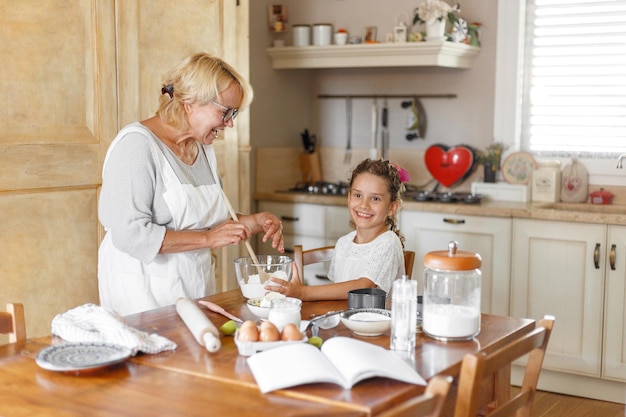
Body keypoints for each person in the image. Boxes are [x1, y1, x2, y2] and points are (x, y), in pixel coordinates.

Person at [98, 52, 284, 316]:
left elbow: (209, 221)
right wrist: (208, 238)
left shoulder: (202, 148)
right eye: (226, 112)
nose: (230, 123)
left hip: (191, 284)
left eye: (235, 113)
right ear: (190, 103)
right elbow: (131, 234)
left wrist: (257, 221)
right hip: (142, 290)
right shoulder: (136, 146)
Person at [269, 158, 406, 301]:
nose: (364, 205)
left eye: (375, 199)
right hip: (344, 319)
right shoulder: (343, 243)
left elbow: (364, 287)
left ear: (392, 207)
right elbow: (338, 292)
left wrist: (303, 292)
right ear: (349, 197)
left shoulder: (389, 242)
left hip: (378, 323)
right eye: (358, 195)